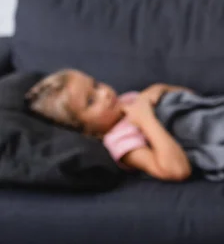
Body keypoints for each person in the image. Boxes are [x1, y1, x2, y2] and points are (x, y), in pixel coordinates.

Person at [25, 69, 192, 182]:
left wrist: (161, 89)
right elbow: (177, 170)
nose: (104, 93)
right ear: (86, 130)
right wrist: (146, 119)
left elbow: (193, 99)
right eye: (91, 101)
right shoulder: (120, 141)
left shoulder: (126, 100)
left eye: (96, 85)